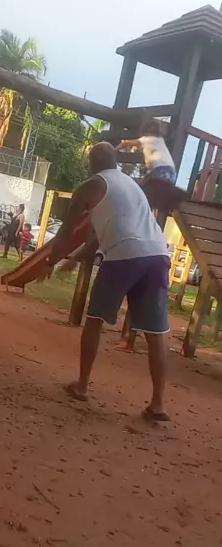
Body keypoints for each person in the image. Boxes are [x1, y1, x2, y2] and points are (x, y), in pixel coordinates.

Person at [40, 142, 171, 421]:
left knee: (95, 319)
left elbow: (65, 232)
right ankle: (158, 404)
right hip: (158, 255)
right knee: (156, 332)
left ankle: (82, 385)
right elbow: (106, 234)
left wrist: (50, 261)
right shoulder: (132, 186)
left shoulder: (89, 187)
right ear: (115, 162)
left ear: (91, 163)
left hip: (123, 256)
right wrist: (75, 259)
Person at [117, 118, 176, 185]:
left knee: (142, 185)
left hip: (161, 171)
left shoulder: (147, 139)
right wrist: (147, 169)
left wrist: (114, 149)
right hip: (172, 173)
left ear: (146, 132)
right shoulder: (160, 140)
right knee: (148, 186)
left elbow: (127, 143)